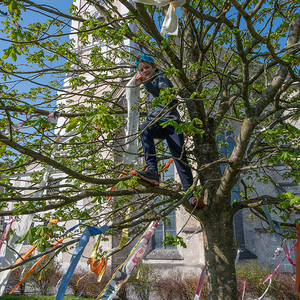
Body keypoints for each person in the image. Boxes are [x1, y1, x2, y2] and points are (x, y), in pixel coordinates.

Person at [131, 54, 204, 208]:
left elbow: (164, 97)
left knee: (180, 157)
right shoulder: (148, 82)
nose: (145, 71)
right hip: (156, 123)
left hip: (170, 123)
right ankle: (152, 171)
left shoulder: (161, 78)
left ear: (154, 67)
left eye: (147, 68)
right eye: (142, 69)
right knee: (144, 128)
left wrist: (146, 84)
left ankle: (191, 195)